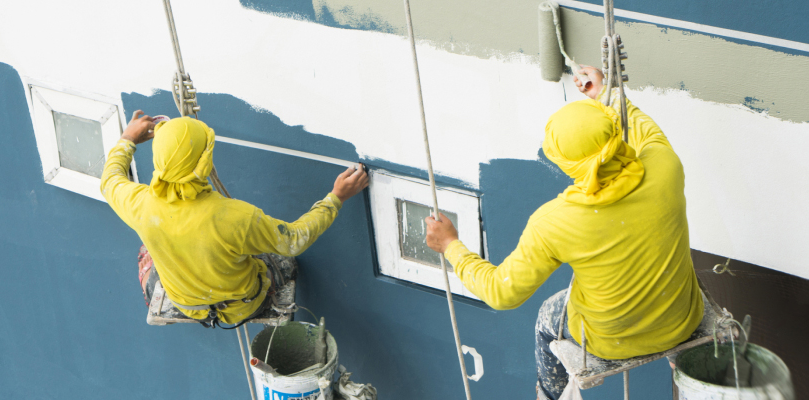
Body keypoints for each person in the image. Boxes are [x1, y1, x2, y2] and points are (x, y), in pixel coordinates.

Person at [424, 66, 703, 399]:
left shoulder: (555, 222)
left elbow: (501, 293)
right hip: (682, 321)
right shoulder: (665, 165)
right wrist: (604, 93)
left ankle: (551, 396)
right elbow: (639, 123)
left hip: (608, 341)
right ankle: (681, 359)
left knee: (547, 318)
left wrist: (451, 245)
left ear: (568, 164)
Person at [102, 112, 368, 326]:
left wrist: (127, 139)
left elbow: (110, 179)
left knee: (147, 250)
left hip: (188, 306)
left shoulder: (140, 204)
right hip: (243, 307)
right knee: (281, 259)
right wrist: (336, 198)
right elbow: (294, 241)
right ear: (205, 161)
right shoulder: (236, 217)